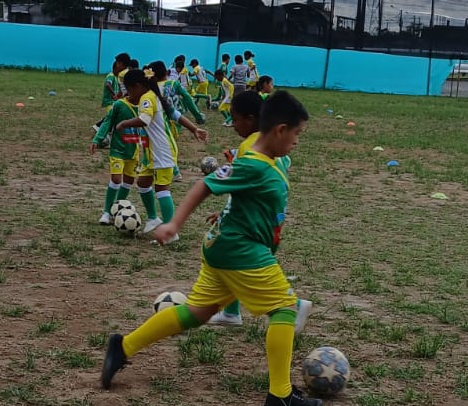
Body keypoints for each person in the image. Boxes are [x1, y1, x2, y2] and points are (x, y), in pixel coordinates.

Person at [100, 90, 322, 406]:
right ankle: (280, 394)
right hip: (240, 250)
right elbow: (204, 185)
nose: (297, 141)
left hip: (224, 247)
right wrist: (173, 224)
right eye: (297, 134)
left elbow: (246, 194)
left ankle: (123, 346)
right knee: (286, 308)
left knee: (196, 313)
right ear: (279, 130)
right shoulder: (253, 163)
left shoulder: (272, 158)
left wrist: (230, 210)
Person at [208, 89, 311, 335]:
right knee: (238, 266)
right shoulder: (275, 145)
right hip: (271, 214)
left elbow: (244, 185)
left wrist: (227, 210)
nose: (233, 124)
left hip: (254, 218)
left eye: (235, 118)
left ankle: (293, 305)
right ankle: (231, 312)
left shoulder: (250, 146)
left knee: (248, 267)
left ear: (252, 119)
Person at [138, 63, 206, 232]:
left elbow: (172, 113)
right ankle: (153, 218)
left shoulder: (151, 97)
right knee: (143, 182)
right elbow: (175, 113)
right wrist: (194, 127)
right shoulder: (155, 95)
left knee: (162, 188)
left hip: (162, 147)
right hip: (151, 149)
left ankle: (170, 230)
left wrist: (194, 128)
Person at [91, 66, 150, 224]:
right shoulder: (119, 105)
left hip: (133, 150)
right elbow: (107, 122)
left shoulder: (146, 106)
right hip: (117, 149)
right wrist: (97, 138)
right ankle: (106, 212)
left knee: (129, 181)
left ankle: (115, 209)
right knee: (116, 179)